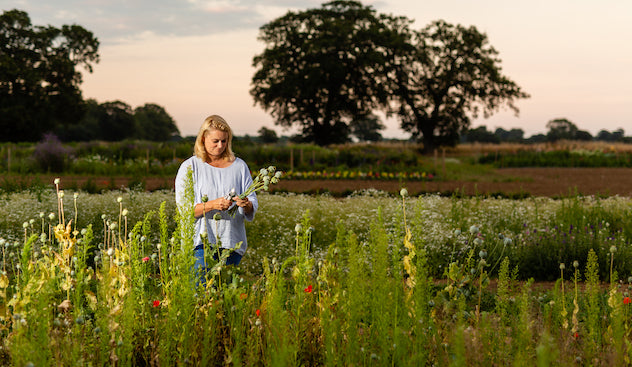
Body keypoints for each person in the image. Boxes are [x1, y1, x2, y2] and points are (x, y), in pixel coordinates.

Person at [175, 115, 258, 280]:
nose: (220, 146)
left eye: (224, 141)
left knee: (225, 298)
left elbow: (252, 202)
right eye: (215, 141)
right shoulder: (190, 167)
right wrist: (213, 205)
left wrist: (245, 204)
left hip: (232, 243)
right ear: (203, 139)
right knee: (201, 297)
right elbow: (184, 210)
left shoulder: (239, 166)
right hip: (200, 243)